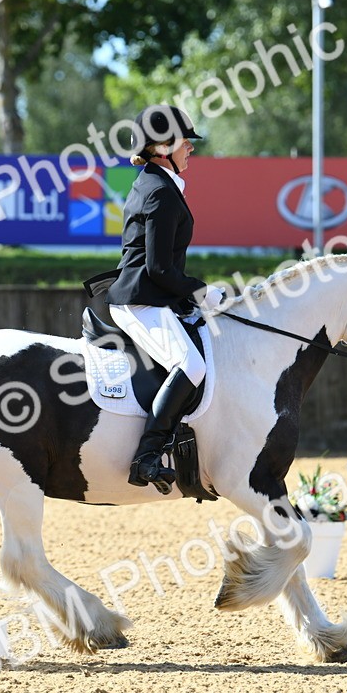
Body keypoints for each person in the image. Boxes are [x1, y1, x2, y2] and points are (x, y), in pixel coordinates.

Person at [100, 105, 228, 493]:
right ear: (162, 146)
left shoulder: (157, 182)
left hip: (153, 296)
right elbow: (158, 269)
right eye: (184, 141)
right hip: (140, 299)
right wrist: (202, 293)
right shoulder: (160, 192)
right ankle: (147, 456)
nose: (191, 147)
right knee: (191, 366)